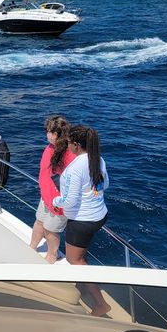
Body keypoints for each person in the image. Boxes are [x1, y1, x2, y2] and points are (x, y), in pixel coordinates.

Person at [52, 125, 111, 316]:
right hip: (100, 215)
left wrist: (55, 200)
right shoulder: (97, 159)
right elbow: (105, 184)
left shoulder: (73, 169)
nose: (67, 145)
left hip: (82, 222)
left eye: (68, 142)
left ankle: (101, 304)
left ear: (76, 145)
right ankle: (83, 283)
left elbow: (68, 201)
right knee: (80, 255)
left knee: (74, 259)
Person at [29, 115, 76, 264]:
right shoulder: (49, 148)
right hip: (46, 196)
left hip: (59, 202)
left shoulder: (69, 154)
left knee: (51, 229)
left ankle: (52, 254)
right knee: (39, 222)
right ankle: (32, 247)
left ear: (56, 134)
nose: (46, 133)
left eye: (48, 131)